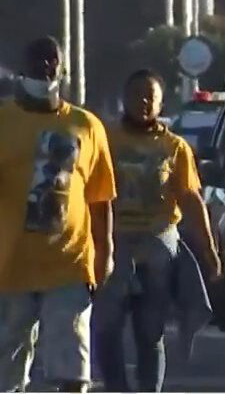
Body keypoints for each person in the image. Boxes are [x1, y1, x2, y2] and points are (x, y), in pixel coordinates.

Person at [92, 69, 222, 392]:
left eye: (151, 96)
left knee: (150, 332)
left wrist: (209, 251)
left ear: (162, 103)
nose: (144, 101)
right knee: (106, 329)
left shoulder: (174, 147)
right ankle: (116, 388)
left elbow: (191, 200)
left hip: (157, 247)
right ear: (124, 99)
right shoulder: (105, 140)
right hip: (113, 246)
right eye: (137, 94)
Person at [0, 37, 116, 393]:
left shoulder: (87, 125)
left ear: (63, 68)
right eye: (38, 61)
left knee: (71, 367)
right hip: (10, 266)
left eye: (52, 60)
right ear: (21, 68)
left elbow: (100, 197)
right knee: (8, 366)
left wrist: (105, 251)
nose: (45, 67)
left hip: (69, 262)